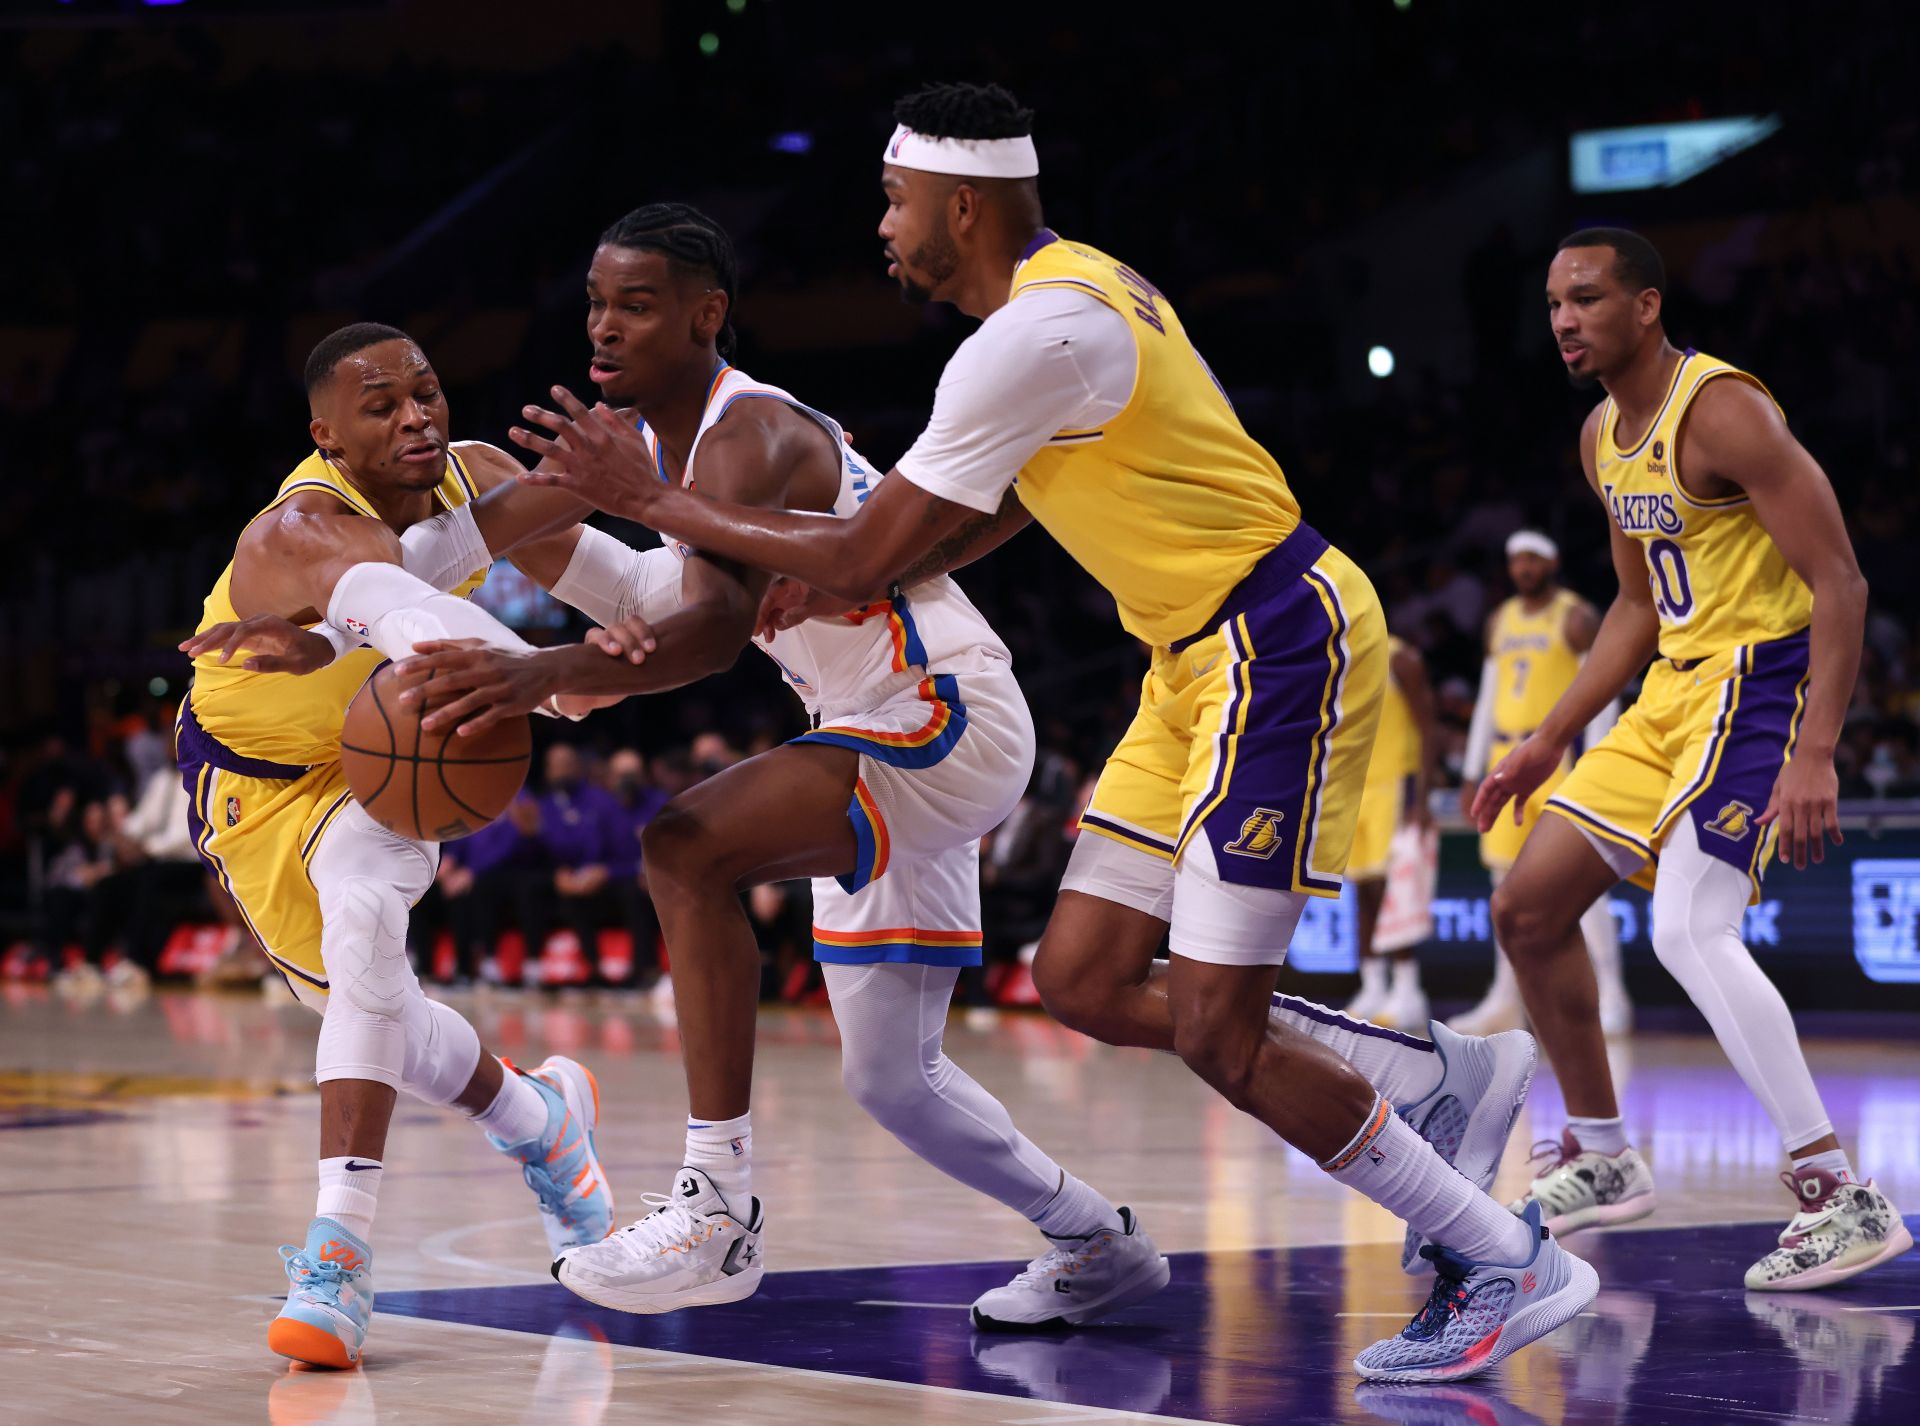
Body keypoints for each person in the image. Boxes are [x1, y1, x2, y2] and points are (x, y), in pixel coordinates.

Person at [489, 88, 1593, 1381]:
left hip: (1269, 637)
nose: (883, 230)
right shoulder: (1071, 301)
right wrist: (820, 563)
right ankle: (1433, 1074)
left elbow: (851, 548)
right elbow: (991, 510)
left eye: (896, 202)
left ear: (962, 204)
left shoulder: (1028, 337)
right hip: (1186, 661)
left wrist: (667, 510)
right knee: (1075, 979)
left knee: (1215, 1029)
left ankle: (1500, 1253)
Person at [364, 204, 1173, 1329]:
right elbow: (485, 529)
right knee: (896, 1080)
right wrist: (321, 610)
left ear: (707, 318)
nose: (604, 328)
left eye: (637, 306)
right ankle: (1100, 1241)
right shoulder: (641, 444)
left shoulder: (748, 435)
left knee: (682, 848)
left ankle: (719, 1204)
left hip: (937, 707)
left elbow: (702, 630)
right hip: (865, 717)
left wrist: (542, 673)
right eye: (596, 302)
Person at [174, 323, 618, 1368]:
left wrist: (696, 606)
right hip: (255, 785)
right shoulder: (303, 529)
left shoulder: (480, 481)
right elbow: (414, 616)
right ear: (326, 433)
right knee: (380, 1021)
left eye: (426, 392)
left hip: (387, 759)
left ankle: (338, 1255)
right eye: (382, 406)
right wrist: (548, 677)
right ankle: (540, 1118)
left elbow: (626, 591)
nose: (417, 415)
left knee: (369, 932)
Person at [1474, 228, 1910, 1289]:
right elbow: (1634, 602)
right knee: (1528, 908)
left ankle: (1840, 1193)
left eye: (1585, 299)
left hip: (1761, 682)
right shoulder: (1599, 438)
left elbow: (1841, 582)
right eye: (1552, 305)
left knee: (1686, 925)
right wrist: (1549, 735)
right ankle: (1605, 1152)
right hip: (1673, 692)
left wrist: (1817, 754)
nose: (1565, 320)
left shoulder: (1724, 410)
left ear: (1648, 306)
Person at [1453, 530, 1629, 1035]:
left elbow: (1605, 687)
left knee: (1582, 887)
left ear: (1551, 561)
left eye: (1532, 559)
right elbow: (1487, 699)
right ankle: (1505, 1000)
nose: (1523, 568)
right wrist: (1470, 770)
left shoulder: (1575, 617)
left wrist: (1597, 763)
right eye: (1515, 560)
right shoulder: (1500, 620)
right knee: (1503, 886)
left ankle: (1612, 996)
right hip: (1503, 758)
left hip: (1558, 761)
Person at [1341, 636, 1437, 1031]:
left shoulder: (1401, 658)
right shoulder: (1336, 658)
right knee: (1362, 891)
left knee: (1391, 891)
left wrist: (1423, 797)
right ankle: (1373, 986)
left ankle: (1408, 989)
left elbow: (1428, 729)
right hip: (1352, 786)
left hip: (1394, 786)